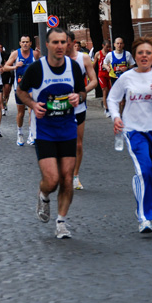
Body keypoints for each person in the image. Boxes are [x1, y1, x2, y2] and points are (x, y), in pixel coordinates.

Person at [17, 27, 87, 239]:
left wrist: (79, 98)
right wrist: (32, 104)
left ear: (68, 44)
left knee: (67, 179)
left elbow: (82, 91)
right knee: (52, 180)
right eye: (55, 42)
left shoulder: (73, 67)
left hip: (67, 129)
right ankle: (43, 194)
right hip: (44, 131)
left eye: (63, 42)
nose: (59, 46)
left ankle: (61, 222)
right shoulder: (37, 69)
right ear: (46, 45)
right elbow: (20, 91)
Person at [107, 36, 152, 233]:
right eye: (140, 53)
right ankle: (144, 218)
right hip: (133, 130)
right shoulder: (126, 77)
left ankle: (140, 186)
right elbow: (112, 99)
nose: (144, 56)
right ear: (135, 56)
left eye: (148, 53)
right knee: (145, 169)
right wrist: (116, 117)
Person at [64, 30, 97, 190]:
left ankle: (75, 176)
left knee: (77, 144)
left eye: (66, 42)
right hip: (60, 107)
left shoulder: (83, 58)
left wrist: (81, 93)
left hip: (78, 106)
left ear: (72, 42)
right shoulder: (56, 59)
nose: (63, 45)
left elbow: (94, 81)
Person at [3, 35, 40, 145]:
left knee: (32, 110)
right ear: (20, 43)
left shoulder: (35, 54)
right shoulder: (15, 54)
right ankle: (19, 134)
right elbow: (5, 67)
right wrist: (15, 67)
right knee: (21, 113)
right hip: (19, 87)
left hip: (32, 86)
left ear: (30, 44)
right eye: (23, 42)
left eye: (27, 42)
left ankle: (31, 134)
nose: (25, 44)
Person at [93, 40, 112, 117]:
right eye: (106, 46)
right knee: (105, 90)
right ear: (103, 45)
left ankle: (109, 106)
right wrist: (91, 73)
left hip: (110, 74)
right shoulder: (98, 53)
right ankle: (107, 109)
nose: (108, 48)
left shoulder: (111, 53)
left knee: (111, 91)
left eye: (109, 47)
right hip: (102, 74)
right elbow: (94, 64)